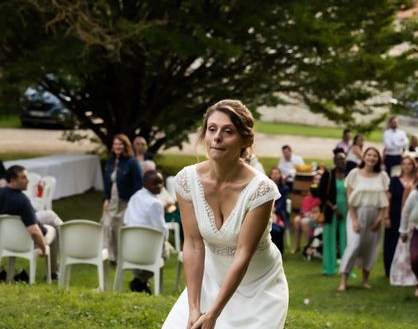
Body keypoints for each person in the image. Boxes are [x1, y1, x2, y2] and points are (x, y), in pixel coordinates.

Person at [163, 99, 287, 329]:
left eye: (227, 131)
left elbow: (243, 253)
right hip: (211, 280)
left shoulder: (262, 190)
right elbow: (192, 243)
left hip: (258, 288)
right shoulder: (186, 181)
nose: (217, 137)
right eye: (212, 129)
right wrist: (194, 308)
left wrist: (213, 314)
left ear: (245, 141)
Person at [338, 147, 389, 292]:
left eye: (375, 156)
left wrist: (379, 219)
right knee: (354, 244)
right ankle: (343, 280)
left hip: (375, 214)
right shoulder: (354, 173)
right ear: (364, 156)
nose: (372, 158)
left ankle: (365, 280)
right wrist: (354, 219)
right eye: (369, 155)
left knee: (371, 247)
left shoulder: (383, 176)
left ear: (378, 159)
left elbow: (385, 201)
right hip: (357, 213)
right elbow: (350, 199)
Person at [0, 165, 61, 279]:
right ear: (12, 180)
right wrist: (42, 248)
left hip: (6, 238)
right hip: (24, 238)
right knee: (53, 229)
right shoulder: (22, 200)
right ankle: (53, 272)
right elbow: (34, 231)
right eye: (23, 178)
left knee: (51, 215)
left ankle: (67, 242)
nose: (28, 181)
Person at [124, 170, 168, 294]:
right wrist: (164, 243)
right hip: (148, 249)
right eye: (155, 184)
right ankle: (140, 281)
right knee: (166, 252)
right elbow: (161, 230)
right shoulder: (155, 203)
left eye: (161, 183)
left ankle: (140, 283)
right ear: (145, 184)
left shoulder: (135, 196)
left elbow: (126, 219)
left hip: (129, 246)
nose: (159, 186)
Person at [102, 133, 143, 262]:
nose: (117, 146)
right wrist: (106, 199)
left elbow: (138, 184)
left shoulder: (132, 162)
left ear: (125, 146)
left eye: (120, 144)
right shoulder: (110, 161)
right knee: (106, 226)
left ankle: (121, 258)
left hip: (125, 201)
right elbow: (106, 182)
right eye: (115, 144)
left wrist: (132, 203)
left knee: (119, 229)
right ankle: (109, 256)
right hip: (112, 200)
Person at [384, 155, 416, 277]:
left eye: (410, 164)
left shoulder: (417, 181)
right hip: (395, 214)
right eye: (405, 164)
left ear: (413, 166)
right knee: (391, 242)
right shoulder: (394, 180)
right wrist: (386, 216)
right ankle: (390, 269)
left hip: (411, 216)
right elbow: (388, 199)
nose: (407, 166)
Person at [318, 150, 348, 275]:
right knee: (329, 237)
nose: (342, 161)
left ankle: (346, 268)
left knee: (346, 239)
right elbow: (321, 194)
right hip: (331, 210)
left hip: (347, 209)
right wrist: (334, 208)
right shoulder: (328, 174)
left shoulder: (349, 174)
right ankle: (329, 267)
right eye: (339, 159)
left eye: (343, 159)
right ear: (334, 161)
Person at [290, 173, 322, 254]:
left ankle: (311, 245)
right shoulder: (310, 193)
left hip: (318, 216)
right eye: (316, 179)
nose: (317, 181)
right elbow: (304, 208)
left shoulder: (323, 191)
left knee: (303, 221)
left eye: (319, 179)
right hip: (308, 213)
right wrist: (304, 213)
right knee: (297, 220)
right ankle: (297, 246)